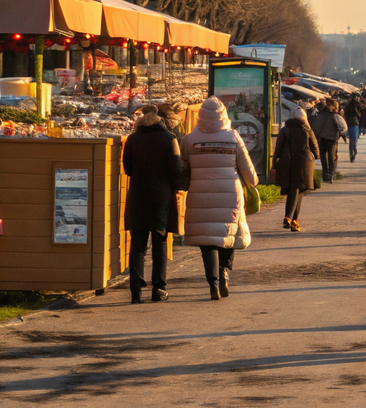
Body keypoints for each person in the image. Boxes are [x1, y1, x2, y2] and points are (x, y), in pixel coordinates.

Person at [180, 97, 259, 301]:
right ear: (224, 115)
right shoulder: (233, 137)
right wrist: (253, 183)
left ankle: (213, 282)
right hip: (229, 194)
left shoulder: (189, 140)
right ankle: (224, 272)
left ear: (201, 116)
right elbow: (248, 171)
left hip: (199, 194)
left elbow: (183, 168)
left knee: (207, 241)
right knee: (228, 234)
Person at [121, 105, 181, 304]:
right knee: (160, 242)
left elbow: (128, 168)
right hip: (161, 197)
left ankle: (135, 291)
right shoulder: (169, 140)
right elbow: (176, 170)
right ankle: (158, 289)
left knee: (138, 244)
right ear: (160, 120)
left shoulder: (132, 140)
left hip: (138, 195)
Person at [273, 107, 319, 232]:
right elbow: (315, 147)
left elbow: (278, 148)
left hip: (287, 162)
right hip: (304, 163)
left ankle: (293, 220)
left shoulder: (285, 129)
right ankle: (290, 217)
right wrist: (315, 156)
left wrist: (274, 164)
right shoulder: (307, 129)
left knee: (295, 189)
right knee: (298, 189)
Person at [309, 98, 347, 182]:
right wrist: (340, 133)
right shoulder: (335, 116)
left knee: (323, 156)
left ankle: (325, 173)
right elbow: (344, 128)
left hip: (321, 138)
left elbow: (314, 126)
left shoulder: (319, 115)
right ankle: (331, 174)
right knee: (330, 155)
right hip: (332, 138)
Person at [344, 93, 364, 163]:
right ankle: (354, 151)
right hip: (354, 123)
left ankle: (351, 154)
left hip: (349, 123)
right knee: (354, 139)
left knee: (351, 140)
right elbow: (362, 108)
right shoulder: (355, 104)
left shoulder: (347, 105)